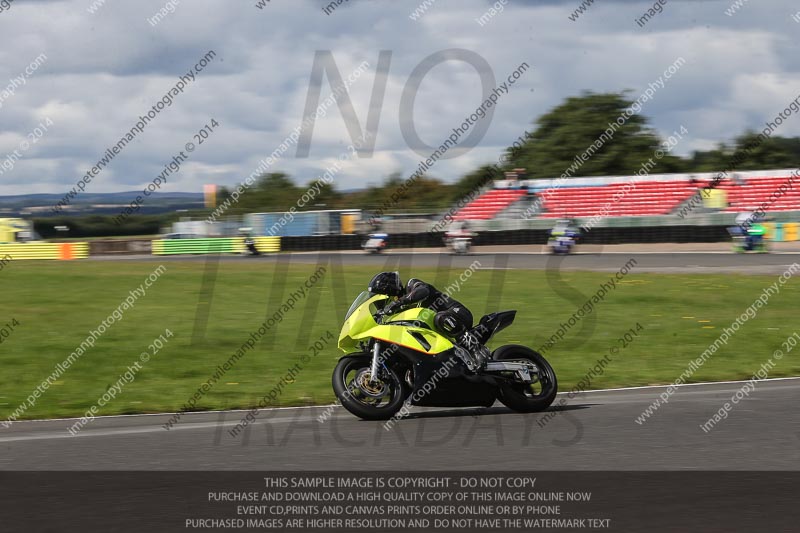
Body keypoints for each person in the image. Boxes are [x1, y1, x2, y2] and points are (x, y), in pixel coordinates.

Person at [367, 272, 487, 371]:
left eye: (380, 298)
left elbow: (424, 291)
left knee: (440, 317)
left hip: (457, 313)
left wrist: (399, 302)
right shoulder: (397, 312)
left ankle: (475, 349)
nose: (380, 304)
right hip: (439, 332)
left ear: (390, 292)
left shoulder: (411, 285)